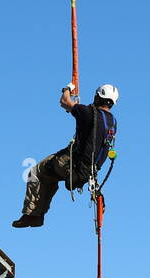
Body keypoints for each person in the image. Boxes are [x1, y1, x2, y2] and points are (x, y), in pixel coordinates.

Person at [13, 83, 118, 228]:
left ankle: (31, 215)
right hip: (88, 172)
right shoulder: (112, 122)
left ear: (98, 97)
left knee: (36, 172)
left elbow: (64, 102)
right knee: (48, 178)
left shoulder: (87, 113)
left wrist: (67, 89)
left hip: (71, 165)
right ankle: (37, 216)